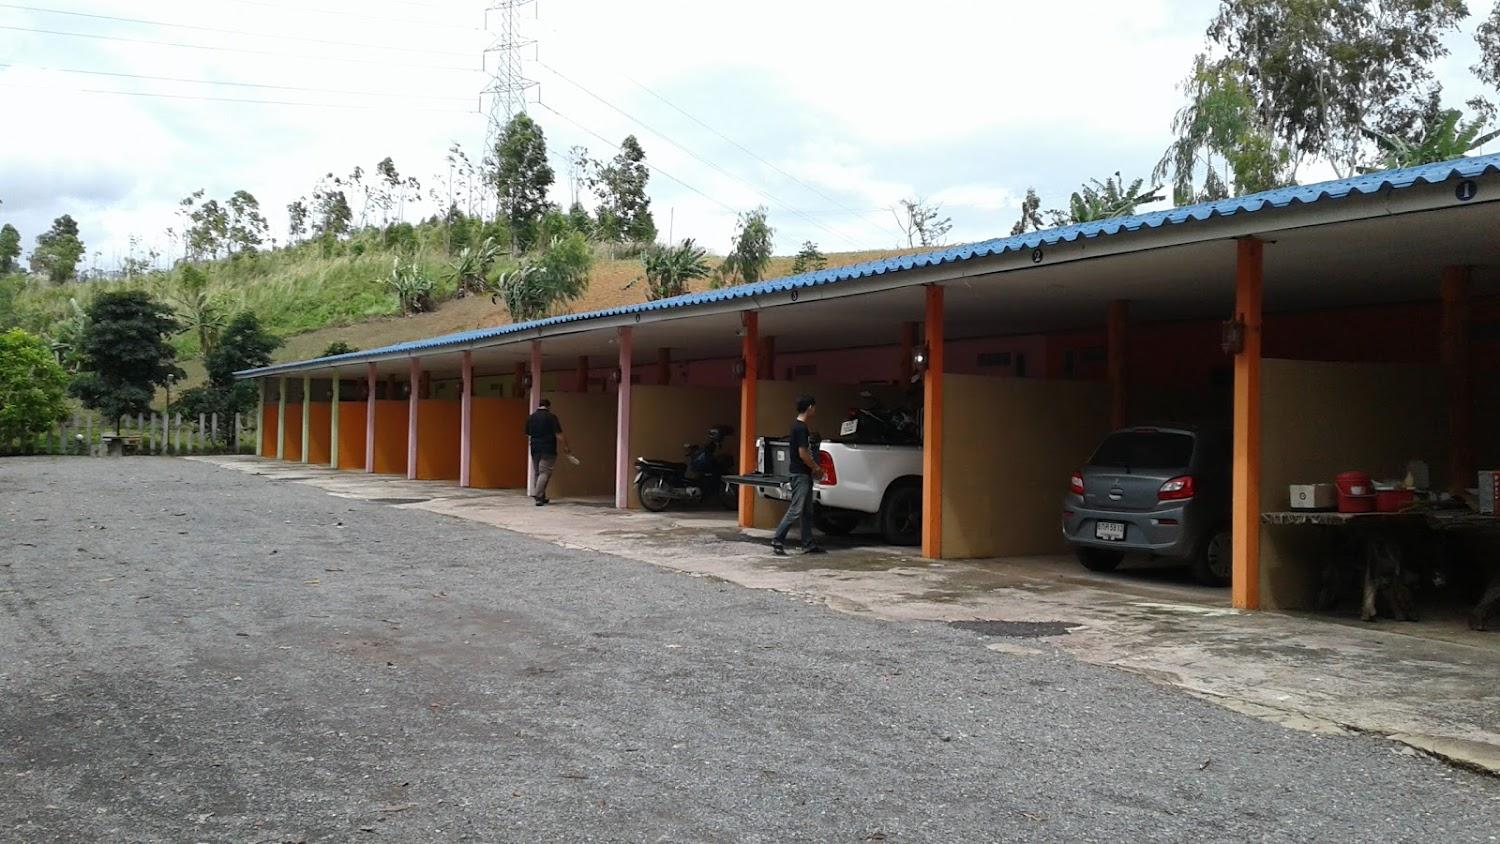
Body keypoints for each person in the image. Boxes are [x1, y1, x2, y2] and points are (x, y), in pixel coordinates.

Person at [771, 395, 826, 556]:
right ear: (809, 407)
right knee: (796, 509)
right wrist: (816, 467)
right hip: (800, 473)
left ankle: (807, 544)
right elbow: (803, 453)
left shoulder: (797, 426)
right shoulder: (801, 428)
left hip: (802, 473)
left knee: (807, 511)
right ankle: (778, 539)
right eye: (814, 406)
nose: (815, 409)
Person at [525, 398, 570, 506]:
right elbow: (558, 434)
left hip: (535, 448)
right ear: (548, 406)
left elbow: (527, 434)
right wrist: (566, 446)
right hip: (548, 448)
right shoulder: (551, 417)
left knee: (538, 472)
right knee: (544, 472)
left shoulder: (531, 417)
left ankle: (541, 497)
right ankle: (538, 496)